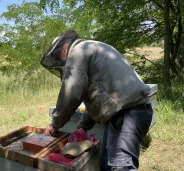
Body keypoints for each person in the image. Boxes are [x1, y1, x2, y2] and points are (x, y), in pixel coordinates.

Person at [42, 29, 153, 171]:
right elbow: (99, 99)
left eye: (58, 56)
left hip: (126, 115)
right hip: (130, 113)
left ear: (64, 47)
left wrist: (54, 125)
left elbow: (71, 93)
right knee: (106, 163)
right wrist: (82, 127)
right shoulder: (93, 47)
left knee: (121, 167)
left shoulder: (77, 51)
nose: (61, 61)